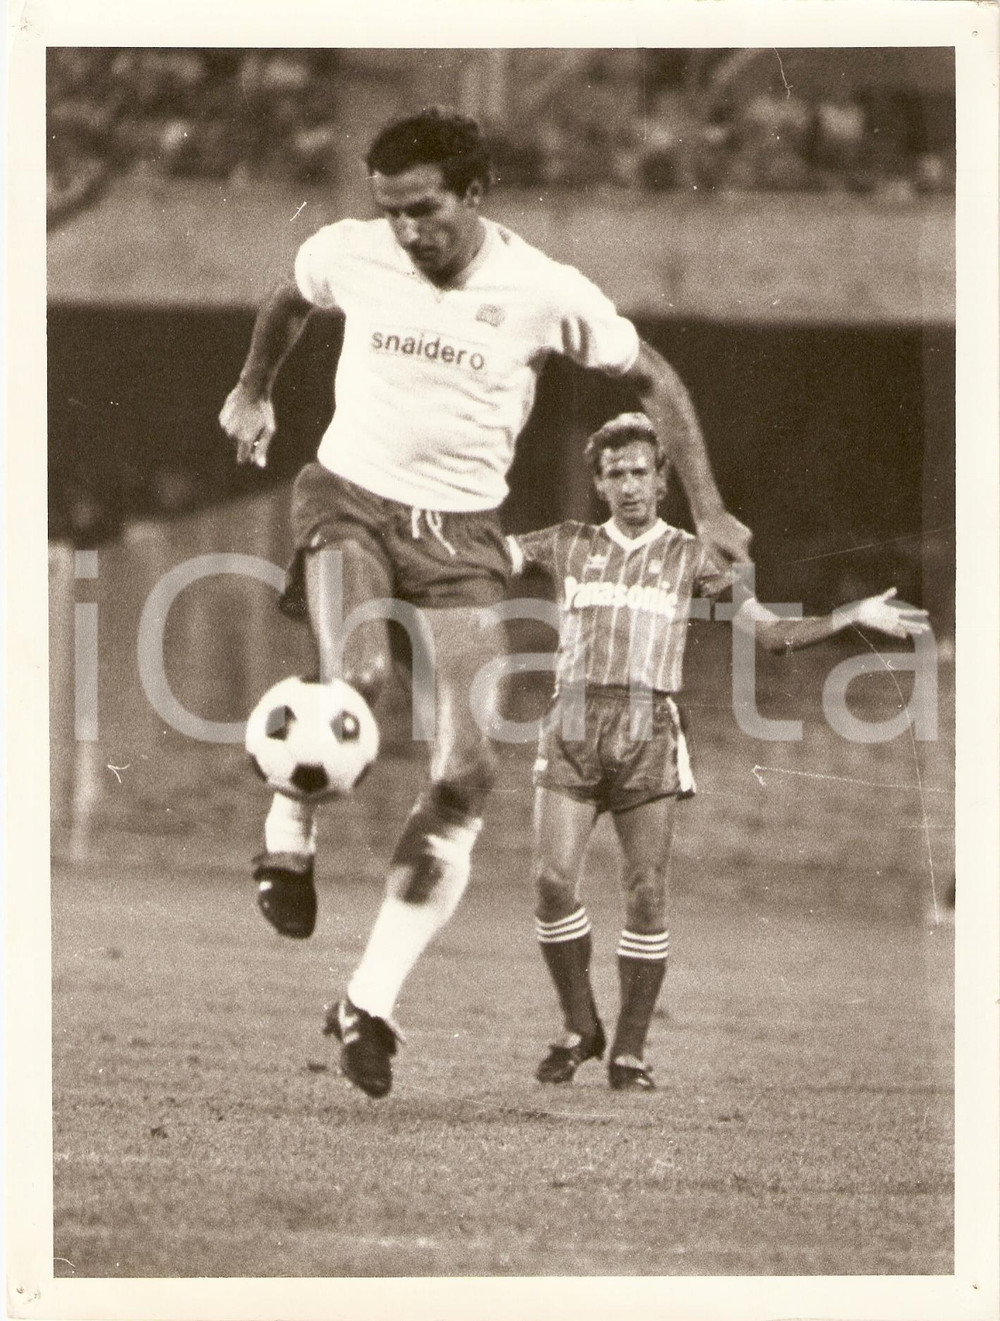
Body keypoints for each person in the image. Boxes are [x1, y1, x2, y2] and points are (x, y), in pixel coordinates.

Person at [218, 107, 751, 1100]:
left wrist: (711, 509)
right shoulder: (351, 251)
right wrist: (254, 390)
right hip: (350, 499)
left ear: (472, 195)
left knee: (467, 772)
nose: (408, 232)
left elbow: (657, 375)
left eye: (424, 211)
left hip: (462, 533)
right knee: (363, 677)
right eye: (391, 212)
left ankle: (367, 1004)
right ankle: (289, 833)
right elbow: (285, 303)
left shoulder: (543, 290)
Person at [507, 412, 929, 1091]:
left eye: (641, 471)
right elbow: (485, 556)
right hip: (574, 719)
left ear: (664, 481)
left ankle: (631, 1052)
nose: (629, 485)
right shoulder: (566, 541)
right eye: (615, 473)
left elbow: (768, 633)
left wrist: (851, 617)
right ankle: (580, 1024)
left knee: (646, 890)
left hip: (648, 725)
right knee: (552, 881)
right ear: (597, 482)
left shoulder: (692, 557)